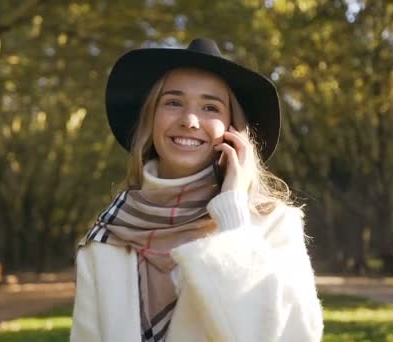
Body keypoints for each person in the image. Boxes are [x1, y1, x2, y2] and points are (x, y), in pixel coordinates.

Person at [70, 38, 323, 342]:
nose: (190, 121)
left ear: (232, 130)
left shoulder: (272, 225)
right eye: (173, 102)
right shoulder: (106, 238)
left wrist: (234, 217)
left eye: (210, 107)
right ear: (151, 118)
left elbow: (291, 336)